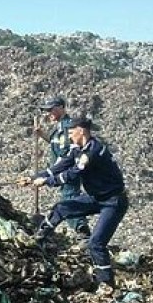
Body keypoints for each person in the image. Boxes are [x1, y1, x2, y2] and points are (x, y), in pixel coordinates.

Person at [19, 114, 128, 292]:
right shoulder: (77, 148)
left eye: (71, 132)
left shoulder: (93, 151)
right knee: (62, 208)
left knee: (96, 243)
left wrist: (47, 182)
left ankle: (107, 284)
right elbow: (60, 166)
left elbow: (73, 173)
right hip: (96, 197)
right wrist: (33, 178)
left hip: (113, 201)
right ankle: (38, 240)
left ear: (81, 131)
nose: (69, 136)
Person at [34, 96, 91, 237]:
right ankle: (81, 230)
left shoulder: (67, 127)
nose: (49, 113)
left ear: (61, 108)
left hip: (67, 172)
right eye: (47, 111)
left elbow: (67, 153)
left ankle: (82, 230)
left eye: (51, 110)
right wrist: (43, 135)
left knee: (69, 199)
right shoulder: (59, 128)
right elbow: (57, 146)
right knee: (67, 199)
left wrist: (49, 174)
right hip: (61, 171)